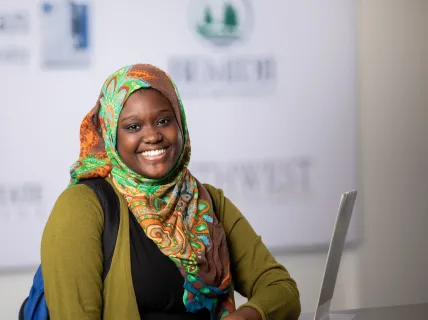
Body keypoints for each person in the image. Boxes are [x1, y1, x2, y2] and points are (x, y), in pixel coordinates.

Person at [41, 64, 301, 320]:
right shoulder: (82, 205)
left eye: (163, 121)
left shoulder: (207, 202)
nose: (153, 136)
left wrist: (248, 316)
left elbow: (280, 288)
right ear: (110, 135)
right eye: (133, 127)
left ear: (180, 124)